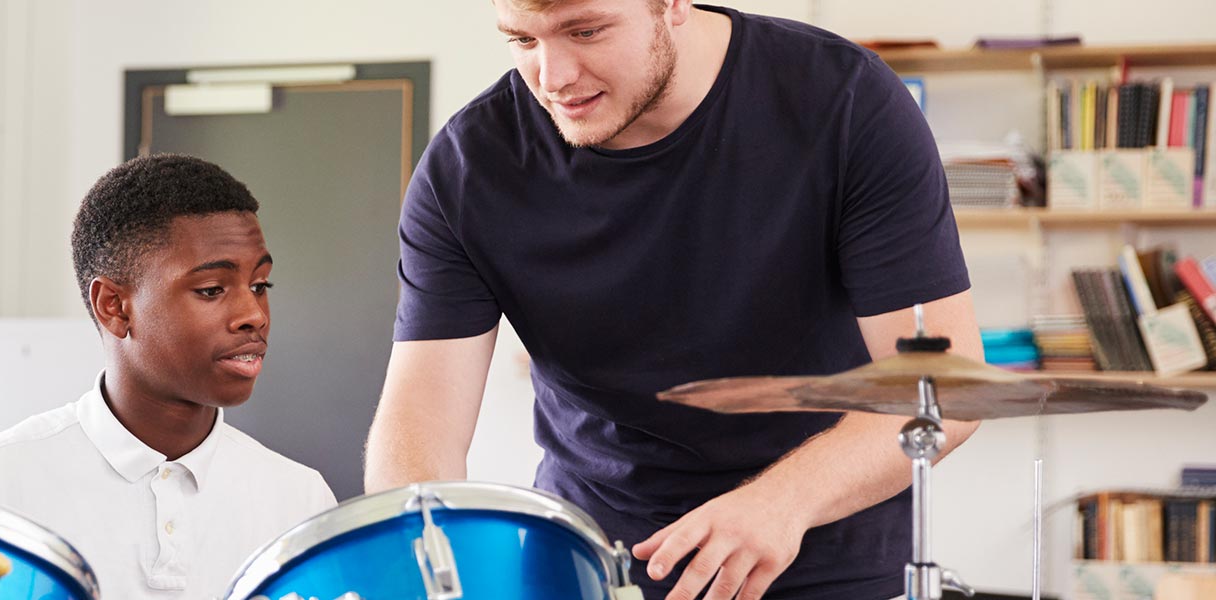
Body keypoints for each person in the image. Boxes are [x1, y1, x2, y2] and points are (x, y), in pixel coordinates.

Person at [362, 1, 985, 599]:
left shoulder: (846, 100)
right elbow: (422, 418)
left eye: (585, 32)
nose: (552, 80)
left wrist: (779, 503)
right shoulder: (466, 167)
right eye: (523, 40)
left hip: (824, 544)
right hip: (595, 561)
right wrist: (419, 558)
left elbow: (943, 388)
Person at [0, 154, 336, 599]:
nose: (254, 315)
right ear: (114, 306)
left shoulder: (300, 501)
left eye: (260, 286)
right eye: (212, 290)